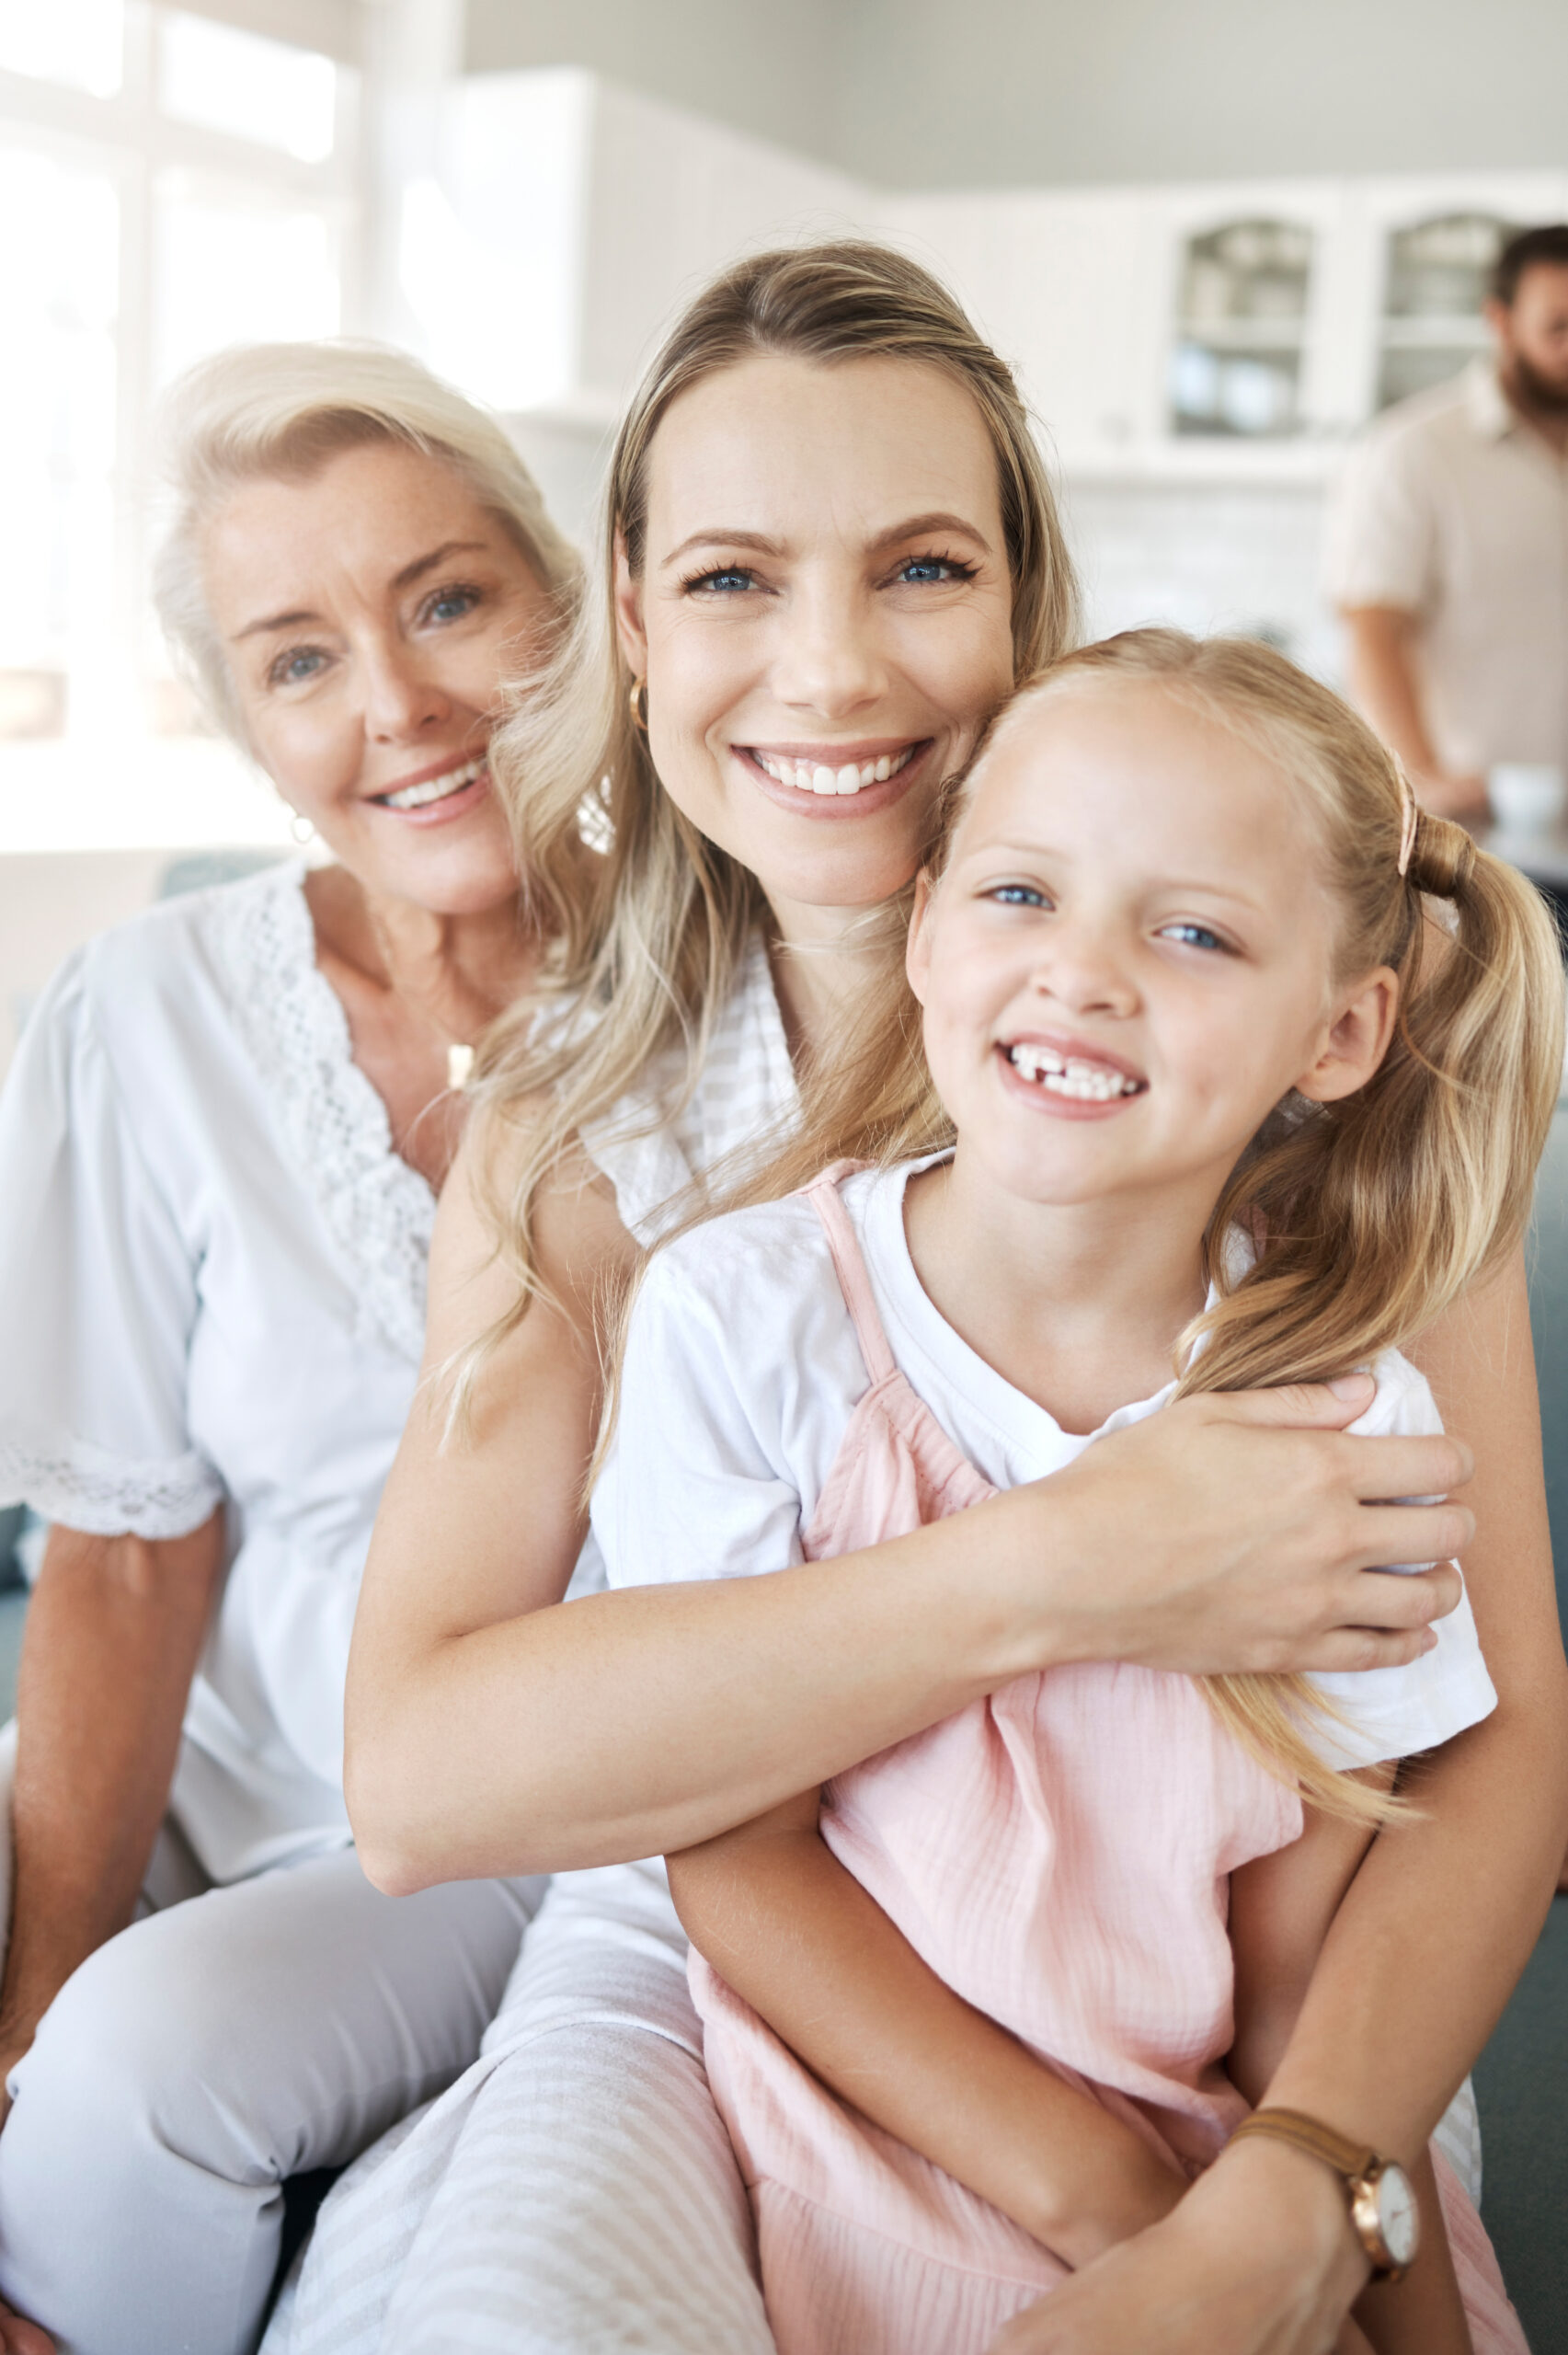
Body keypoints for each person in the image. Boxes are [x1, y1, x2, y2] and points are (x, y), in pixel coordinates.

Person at [280, 245, 1566, 2355]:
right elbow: (422, 1777)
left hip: (1263, 2024)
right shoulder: (580, 1126)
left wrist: (1290, 2176)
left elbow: (1484, 1738)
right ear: (626, 618)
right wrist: (1076, 1564)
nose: (827, 669)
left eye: (919, 568)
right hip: (716, 1926)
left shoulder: (1330, 1106)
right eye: (725, 579)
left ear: (1025, 602)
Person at [628, 628, 1557, 2355]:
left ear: (1341, 1033)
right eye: (1020, 895)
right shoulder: (743, 1320)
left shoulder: (1347, 1425)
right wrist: (1126, 2225)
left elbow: (1302, 1982)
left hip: (1239, 2182)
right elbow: (737, 1856)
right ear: (921, 929)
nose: (1082, 975)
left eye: (1193, 931)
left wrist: (1334, 2284)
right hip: (876, 2173)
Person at [0, 341, 586, 2355]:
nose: (400, 703)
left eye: (448, 600)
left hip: (525, 1816)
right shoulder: (141, 1010)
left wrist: (76, 2045)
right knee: (73, 2041)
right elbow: (128, 1547)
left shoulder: (748, 979)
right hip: (218, 1766)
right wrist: (32, 1987)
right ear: (247, 721)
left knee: (141, 2072)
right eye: (300, 655)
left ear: (564, 606)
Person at [1326, 222, 1568, 822]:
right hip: (1472, 824)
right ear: (1499, 320)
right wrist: (1424, 778)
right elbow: (1373, 627)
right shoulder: (1413, 451)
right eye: (1558, 327)